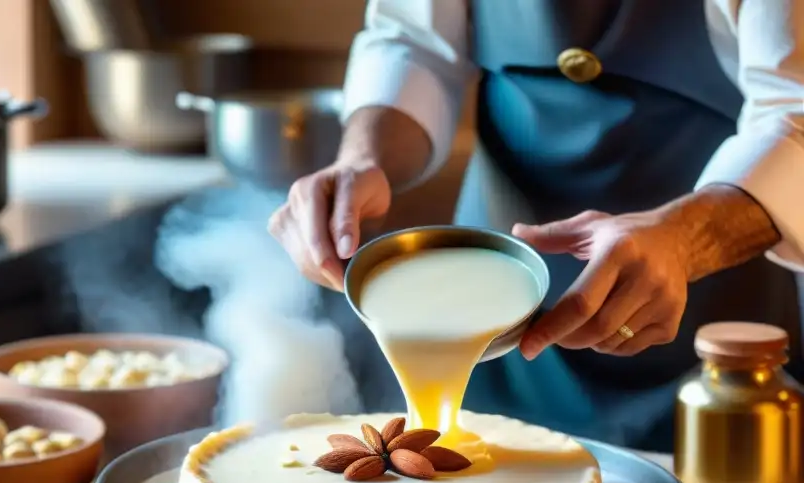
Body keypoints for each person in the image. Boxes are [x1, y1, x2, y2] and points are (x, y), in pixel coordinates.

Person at [268, 0, 804, 452]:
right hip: (483, 293)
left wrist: (682, 243)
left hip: (710, 310)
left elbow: (794, 107)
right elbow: (414, 41)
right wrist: (362, 160)